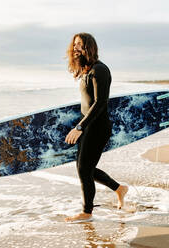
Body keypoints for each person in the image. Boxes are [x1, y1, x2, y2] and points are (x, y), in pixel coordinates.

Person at [64, 33, 128, 222]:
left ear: (89, 47)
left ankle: (87, 212)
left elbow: (100, 103)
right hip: (88, 126)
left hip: (97, 127)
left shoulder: (100, 70)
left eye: (80, 45)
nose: (76, 48)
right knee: (85, 169)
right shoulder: (85, 71)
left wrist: (79, 127)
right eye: (74, 45)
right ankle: (119, 189)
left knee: (84, 169)